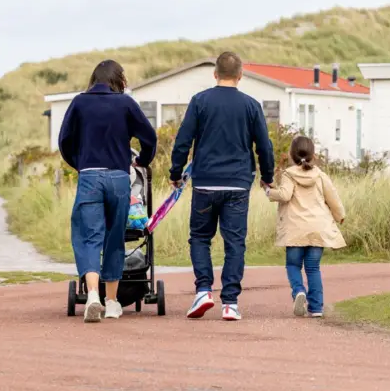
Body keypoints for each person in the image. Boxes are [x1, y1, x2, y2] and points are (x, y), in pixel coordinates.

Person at [169, 51, 275, 321]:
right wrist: (267, 175)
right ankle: (230, 302)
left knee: (201, 238)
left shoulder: (200, 101)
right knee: (235, 242)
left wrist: (176, 172)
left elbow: (183, 140)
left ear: (215, 74)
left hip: (205, 182)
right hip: (238, 184)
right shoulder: (251, 105)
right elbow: (264, 145)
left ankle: (204, 290)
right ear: (240, 76)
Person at [58, 60, 157, 323]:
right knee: (115, 237)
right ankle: (112, 302)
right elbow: (150, 137)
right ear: (118, 80)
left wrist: (80, 164)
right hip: (118, 177)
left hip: (90, 176)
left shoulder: (79, 102)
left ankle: (92, 295)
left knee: (89, 237)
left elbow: (64, 141)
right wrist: (142, 160)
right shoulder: (125, 104)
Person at [265, 135, 345, 318]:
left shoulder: (288, 174)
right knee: (313, 268)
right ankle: (316, 308)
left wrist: (269, 191)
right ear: (313, 154)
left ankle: (299, 291)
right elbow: (333, 198)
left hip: (295, 230)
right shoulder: (320, 176)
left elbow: (285, 195)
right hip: (318, 228)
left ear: (292, 155)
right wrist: (340, 215)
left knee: (293, 265)